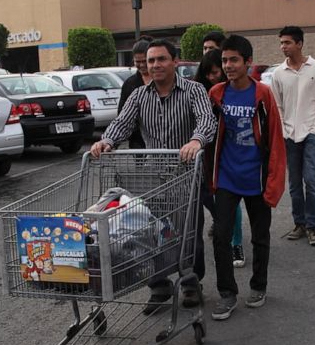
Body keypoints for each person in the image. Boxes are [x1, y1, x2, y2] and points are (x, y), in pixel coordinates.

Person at [90, 39, 216, 313]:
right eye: (151, 61)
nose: (155, 65)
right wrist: (107, 141)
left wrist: (196, 140)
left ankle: (190, 283)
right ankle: (158, 285)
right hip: (151, 177)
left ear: (175, 62)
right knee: (149, 231)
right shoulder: (139, 95)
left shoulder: (193, 91)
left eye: (161, 59)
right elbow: (122, 123)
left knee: (187, 232)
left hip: (185, 175)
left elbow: (207, 120)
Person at [208, 35, 286, 320]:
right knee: (221, 236)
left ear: (248, 62)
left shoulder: (262, 94)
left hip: (256, 179)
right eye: (224, 60)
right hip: (227, 178)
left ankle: (259, 286)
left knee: (260, 237)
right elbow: (207, 136)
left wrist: (274, 183)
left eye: (233, 60)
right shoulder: (216, 93)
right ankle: (227, 293)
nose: (227, 65)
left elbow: (276, 140)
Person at [270, 26, 315, 246]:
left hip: (311, 134)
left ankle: (314, 228)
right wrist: (284, 130)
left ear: (299, 44)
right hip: (289, 136)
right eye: (281, 43)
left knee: (311, 180)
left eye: (287, 43)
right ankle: (300, 224)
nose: (283, 47)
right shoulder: (278, 73)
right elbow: (276, 105)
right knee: (294, 182)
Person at [194, 50, 246, 268]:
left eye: (215, 72)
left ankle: (236, 243)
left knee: (230, 201)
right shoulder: (198, 91)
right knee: (208, 197)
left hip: (227, 153)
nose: (212, 77)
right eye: (208, 74)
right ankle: (221, 225)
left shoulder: (231, 92)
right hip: (205, 152)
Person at [117, 35, 153, 149]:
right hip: (138, 141)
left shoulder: (161, 80)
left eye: (145, 61)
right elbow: (121, 116)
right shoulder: (130, 84)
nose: (142, 65)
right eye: (138, 62)